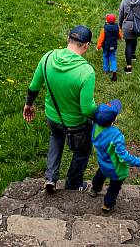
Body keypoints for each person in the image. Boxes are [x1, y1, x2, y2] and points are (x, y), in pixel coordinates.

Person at [23, 25, 97, 193]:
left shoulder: (48, 57)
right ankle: (73, 182)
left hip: (52, 116)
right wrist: (98, 111)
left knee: (56, 139)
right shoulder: (86, 72)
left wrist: (29, 103)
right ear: (86, 45)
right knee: (82, 151)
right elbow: (86, 110)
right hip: (76, 123)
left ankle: (50, 178)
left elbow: (34, 85)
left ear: (68, 40)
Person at [88, 99, 140, 213]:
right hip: (116, 170)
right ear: (112, 120)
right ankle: (107, 205)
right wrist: (139, 162)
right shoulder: (116, 135)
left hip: (103, 163)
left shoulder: (95, 127)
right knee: (114, 188)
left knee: (100, 175)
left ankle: (94, 189)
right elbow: (123, 156)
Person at [96, 14, 123, 82]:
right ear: (114, 20)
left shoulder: (104, 29)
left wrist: (98, 46)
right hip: (113, 46)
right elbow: (120, 36)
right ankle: (114, 70)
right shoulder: (117, 27)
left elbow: (101, 39)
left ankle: (106, 70)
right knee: (113, 58)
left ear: (107, 21)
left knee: (105, 57)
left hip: (106, 47)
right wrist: (118, 38)